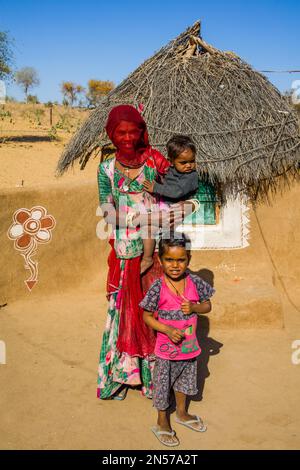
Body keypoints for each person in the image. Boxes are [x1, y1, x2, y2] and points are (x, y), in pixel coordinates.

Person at [97, 105, 193, 400]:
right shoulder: (106, 169)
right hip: (126, 253)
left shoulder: (154, 160)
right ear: (112, 135)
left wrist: (181, 211)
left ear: (141, 132)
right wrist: (134, 219)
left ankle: (153, 379)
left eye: (132, 131)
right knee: (123, 313)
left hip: (156, 254)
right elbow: (106, 208)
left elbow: (189, 186)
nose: (127, 138)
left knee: (154, 310)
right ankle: (123, 377)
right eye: (120, 132)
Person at [140, 235, 215, 446]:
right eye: (169, 260)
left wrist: (194, 307)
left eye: (181, 260)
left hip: (189, 349)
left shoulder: (195, 282)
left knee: (185, 382)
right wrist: (167, 329)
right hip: (166, 351)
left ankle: (182, 413)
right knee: (163, 385)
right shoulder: (157, 287)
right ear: (161, 261)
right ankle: (162, 420)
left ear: (188, 259)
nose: (175, 265)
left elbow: (207, 306)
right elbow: (146, 316)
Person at [141, 135, 200, 274]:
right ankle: (148, 257)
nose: (189, 165)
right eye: (183, 162)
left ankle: (153, 259)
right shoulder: (171, 170)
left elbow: (176, 192)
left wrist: (155, 188)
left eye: (192, 161)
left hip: (175, 210)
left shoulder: (191, 176)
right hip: (165, 206)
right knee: (149, 228)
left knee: (158, 233)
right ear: (171, 162)